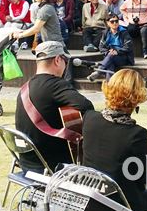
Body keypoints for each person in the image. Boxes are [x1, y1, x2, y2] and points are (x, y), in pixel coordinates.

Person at [83, 69, 147, 211]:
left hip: (93, 197)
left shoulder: (89, 118)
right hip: (123, 205)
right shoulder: (136, 134)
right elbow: (145, 177)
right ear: (137, 97)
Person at [16, 41, 94, 173]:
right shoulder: (55, 85)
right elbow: (86, 106)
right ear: (58, 60)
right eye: (65, 61)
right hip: (51, 165)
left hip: (27, 163)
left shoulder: (25, 87)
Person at [87, 14, 134, 82]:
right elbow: (101, 47)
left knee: (110, 57)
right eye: (112, 21)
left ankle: (98, 72)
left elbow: (128, 47)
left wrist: (117, 51)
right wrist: (108, 52)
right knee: (110, 64)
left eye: (116, 21)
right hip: (110, 56)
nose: (115, 23)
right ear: (108, 23)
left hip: (123, 57)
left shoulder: (124, 32)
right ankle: (109, 83)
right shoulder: (106, 32)